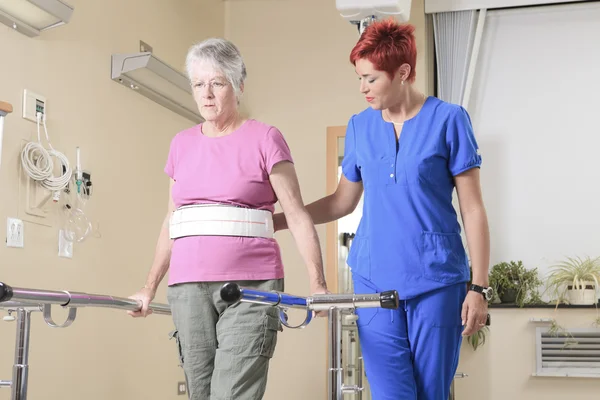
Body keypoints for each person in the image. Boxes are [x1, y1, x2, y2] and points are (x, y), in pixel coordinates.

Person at [274, 19, 491, 400]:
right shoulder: (360, 126)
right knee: (391, 393)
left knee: (430, 392)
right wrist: (281, 219)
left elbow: (472, 209)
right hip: (374, 279)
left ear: (403, 73)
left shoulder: (449, 120)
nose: (363, 88)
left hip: (437, 280)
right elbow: (342, 201)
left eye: (371, 79)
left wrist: (479, 286)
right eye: (359, 78)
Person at [127, 38, 328, 400]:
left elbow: (297, 216)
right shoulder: (181, 144)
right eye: (198, 84)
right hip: (188, 287)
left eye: (216, 83)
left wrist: (319, 285)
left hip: (251, 287)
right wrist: (148, 287)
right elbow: (172, 221)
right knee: (200, 393)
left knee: (231, 393)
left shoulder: (265, 138)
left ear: (237, 85)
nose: (206, 94)